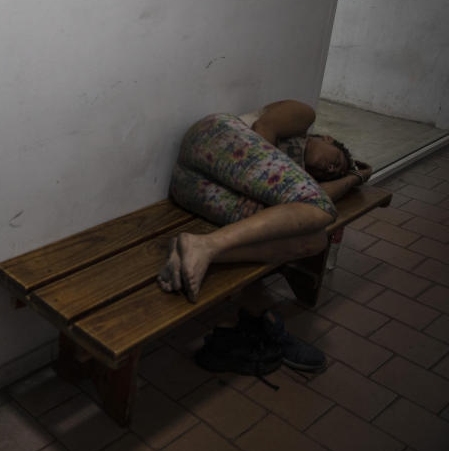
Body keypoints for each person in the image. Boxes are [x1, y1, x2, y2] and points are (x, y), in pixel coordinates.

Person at [158, 99, 373, 304]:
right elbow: (265, 125)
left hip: (189, 186)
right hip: (211, 138)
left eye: (332, 173)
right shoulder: (304, 116)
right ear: (327, 138)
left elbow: (319, 197)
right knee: (319, 208)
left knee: (315, 240)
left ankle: (191, 252)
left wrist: (354, 178)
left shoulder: (294, 181)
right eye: (336, 160)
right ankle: (205, 245)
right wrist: (254, 187)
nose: (331, 168)